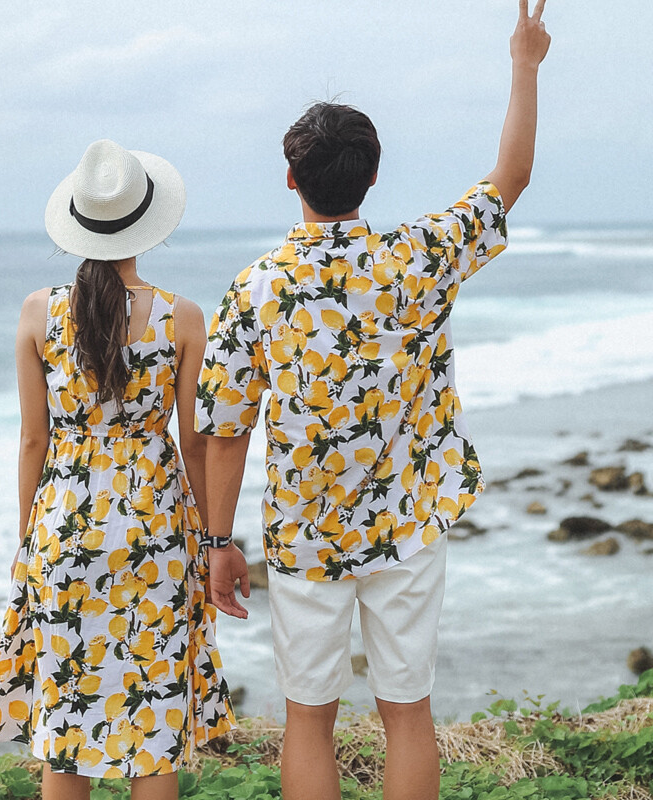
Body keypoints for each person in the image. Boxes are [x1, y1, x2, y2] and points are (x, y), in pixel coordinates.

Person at [196, 3, 551, 799]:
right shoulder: (419, 258)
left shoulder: (255, 289)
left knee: (307, 720)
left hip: (304, 534)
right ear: (374, 175)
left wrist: (218, 542)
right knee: (407, 714)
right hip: (409, 526)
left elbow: (224, 432)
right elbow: (511, 178)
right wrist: (524, 64)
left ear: (290, 179)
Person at [0, 139, 235, 800]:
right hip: (154, 529)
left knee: (66, 735)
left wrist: (27, 537)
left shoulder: (39, 311)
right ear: (149, 223)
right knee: (154, 734)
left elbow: (34, 440)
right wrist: (212, 541)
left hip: (64, 526)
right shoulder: (182, 317)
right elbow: (197, 442)